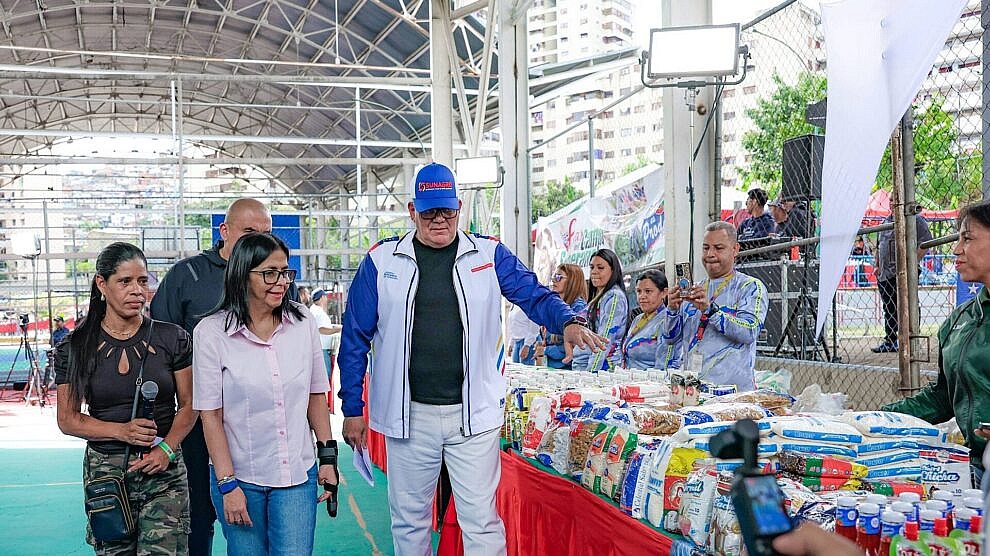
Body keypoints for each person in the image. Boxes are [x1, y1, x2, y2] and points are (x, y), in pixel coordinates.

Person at [338, 162, 604, 556]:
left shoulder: (490, 254)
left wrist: (566, 320)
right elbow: (354, 338)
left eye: (447, 210)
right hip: (408, 416)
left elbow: (533, 295)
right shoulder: (381, 261)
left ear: (459, 207)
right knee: (409, 522)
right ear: (412, 211)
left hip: (473, 416)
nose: (439, 220)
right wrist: (352, 408)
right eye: (429, 212)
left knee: (481, 521)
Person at [150, 197, 296, 555]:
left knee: (262, 523)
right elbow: (159, 347)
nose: (259, 240)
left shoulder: (278, 280)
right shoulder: (186, 277)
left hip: (260, 427)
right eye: (249, 232)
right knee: (198, 515)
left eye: (266, 233)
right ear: (224, 231)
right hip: (200, 422)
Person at [192, 232, 338, 554]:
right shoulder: (211, 333)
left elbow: (316, 394)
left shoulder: (302, 322)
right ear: (242, 275)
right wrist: (227, 484)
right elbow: (210, 416)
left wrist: (328, 458)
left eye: (285, 272)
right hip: (240, 479)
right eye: (269, 273)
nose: (281, 282)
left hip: (296, 476)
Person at [54, 242, 195, 554]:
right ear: (102, 284)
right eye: (125, 281)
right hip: (106, 473)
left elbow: (189, 405)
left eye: (143, 281)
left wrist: (167, 450)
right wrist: (121, 431)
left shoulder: (173, 338)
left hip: (164, 471)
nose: (137, 291)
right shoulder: (75, 347)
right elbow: (68, 419)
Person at [882, 201, 990, 482]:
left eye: (967, 238)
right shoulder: (961, 320)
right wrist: (877, 418)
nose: (956, 249)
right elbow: (943, 396)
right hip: (976, 466)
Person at [664, 221, 769, 391]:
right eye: (706, 248)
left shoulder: (749, 287)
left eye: (718, 248)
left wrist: (711, 311)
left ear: (735, 249)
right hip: (693, 390)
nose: (710, 254)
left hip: (732, 394)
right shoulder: (694, 289)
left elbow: (750, 331)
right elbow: (670, 339)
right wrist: (672, 310)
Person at [871, 212, 933, 353]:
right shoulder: (886, 221)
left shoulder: (915, 219)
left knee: (908, 305)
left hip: (904, 272)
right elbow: (880, 246)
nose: (892, 203)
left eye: (894, 201)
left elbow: (926, 242)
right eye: (890, 201)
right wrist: (877, 265)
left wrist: (912, 262)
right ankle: (891, 340)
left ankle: (912, 340)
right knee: (889, 307)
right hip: (885, 273)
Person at [571, 248, 628, 372]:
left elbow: (604, 340)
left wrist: (591, 374)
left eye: (600, 268)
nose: (594, 272)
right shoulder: (599, 297)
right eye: (592, 267)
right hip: (584, 367)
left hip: (602, 370)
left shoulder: (614, 297)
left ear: (613, 270)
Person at [622, 270, 679, 370]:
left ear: (664, 293)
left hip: (651, 378)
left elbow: (664, 364)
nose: (642, 296)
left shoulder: (668, 321)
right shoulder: (638, 319)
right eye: (639, 291)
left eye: (648, 291)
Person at [543, 263, 589, 369]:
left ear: (572, 281)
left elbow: (575, 345)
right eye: (553, 277)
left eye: (559, 277)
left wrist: (546, 350)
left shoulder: (579, 307)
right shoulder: (556, 306)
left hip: (568, 369)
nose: (554, 280)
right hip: (553, 367)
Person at [308, 288, 342, 409]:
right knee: (322, 378)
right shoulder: (317, 312)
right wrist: (337, 330)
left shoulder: (315, 310)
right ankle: (321, 405)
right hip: (322, 349)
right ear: (322, 297)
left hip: (321, 348)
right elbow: (321, 329)